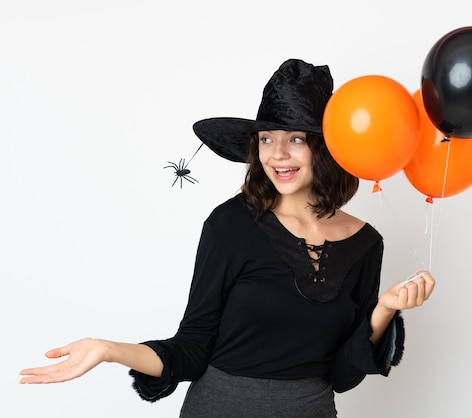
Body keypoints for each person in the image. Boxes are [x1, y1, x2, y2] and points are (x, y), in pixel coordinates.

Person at [20, 58, 436, 417]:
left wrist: (383, 311)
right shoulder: (230, 225)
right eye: (266, 139)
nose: (277, 155)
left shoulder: (366, 244)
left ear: (325, 148)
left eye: (295, 139)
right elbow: (192, 348)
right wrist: (108, 348)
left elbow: (343, 376)